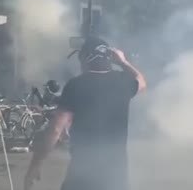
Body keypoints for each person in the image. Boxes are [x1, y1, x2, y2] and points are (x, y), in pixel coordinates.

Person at [24, 36, 147, 190]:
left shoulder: (76, 85)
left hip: (83, 174)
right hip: (116, 174)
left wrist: (35, 166)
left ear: (85, 58)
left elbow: (56, 129)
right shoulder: (123, 81)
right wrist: (123, 61)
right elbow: (141, 82)